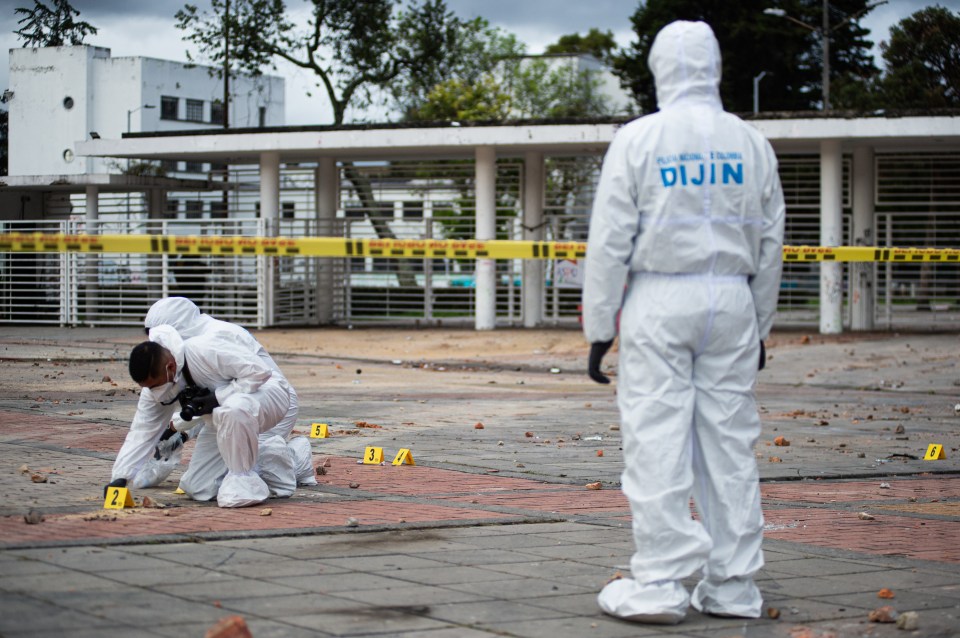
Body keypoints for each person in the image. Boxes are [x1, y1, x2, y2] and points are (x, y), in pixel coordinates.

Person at [582, 21, 786, 624]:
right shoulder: (751, 143)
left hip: (659, 299)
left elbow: (610, 238)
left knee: (657, 439)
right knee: (729, 444)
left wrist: (601, 326)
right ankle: (733, 584)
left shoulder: (639, 139)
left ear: (659, 70)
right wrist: (762, 327)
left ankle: (662, 582)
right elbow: (772, 241)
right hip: (733, 301)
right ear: (717, 67)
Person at [106, 324, 301, 507]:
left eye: (155, 385)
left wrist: (218, 397)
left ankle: (250, 477)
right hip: (220, 420)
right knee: (198, 488)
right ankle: (261, 457)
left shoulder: (203, 349)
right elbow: (141, 432)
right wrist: (120, 477)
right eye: (148, 388)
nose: (155, 392)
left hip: (267, 395)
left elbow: (259, 372)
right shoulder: (156, 389)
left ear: (170, 367)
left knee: (233, 408)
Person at [143, 297, 315, 493]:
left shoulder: (220, 336)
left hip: (264, 402)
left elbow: (234, 390)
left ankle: (295, 458)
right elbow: (205, 400)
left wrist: (177, 427)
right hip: (229, 406)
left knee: (243, 464)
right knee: (198, 487)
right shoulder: (186, 346)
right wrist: (179, 430)